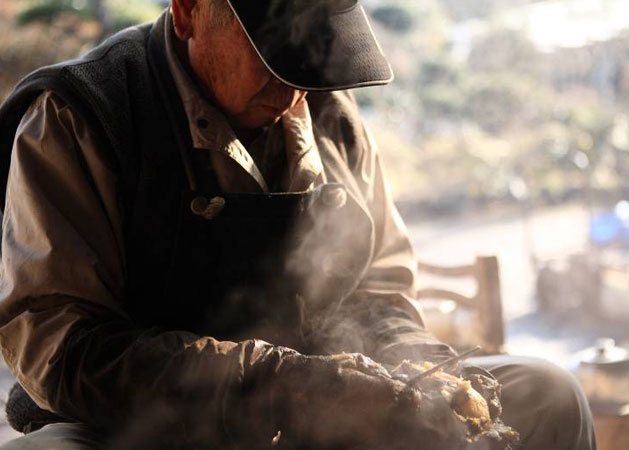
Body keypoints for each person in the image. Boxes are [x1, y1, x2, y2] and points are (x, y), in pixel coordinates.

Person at [0, 0, 596, 449]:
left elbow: (377, 290)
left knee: (548, 393)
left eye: (313, 60)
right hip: (140, 421)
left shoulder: (326, 110)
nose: (295, 90)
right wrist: (282, 385)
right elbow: (62, 347)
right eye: (274, 57)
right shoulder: (80, 116)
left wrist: (414, 369)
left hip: (318, 403)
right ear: (189, 11)